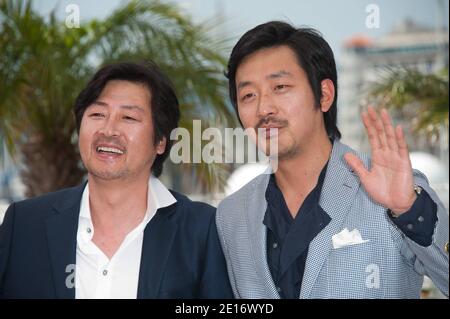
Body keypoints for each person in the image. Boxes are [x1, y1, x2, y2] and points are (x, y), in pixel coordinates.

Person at [216, 21, 449, 299]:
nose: (264, 108)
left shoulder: (395, 193)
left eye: (280, 86)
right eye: (248, 95)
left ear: (324, 95)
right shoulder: (231, 215)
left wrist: (410, 210)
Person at [0, 61, 233, 299]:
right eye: (98, 114)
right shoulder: (23, 225)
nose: (109, 130)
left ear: (161, 140)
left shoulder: (201, 230)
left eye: (129, 117)